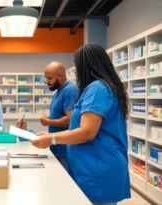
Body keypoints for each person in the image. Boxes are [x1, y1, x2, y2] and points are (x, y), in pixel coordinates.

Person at [31, 44, 131, 205]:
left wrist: (52, 138)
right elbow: (80, 127)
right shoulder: (101, 87)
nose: (76, 71)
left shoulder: (97, 89)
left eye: (77, 66)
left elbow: (86, 132)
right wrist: (50, 135)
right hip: (93, 165)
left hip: (97, 168)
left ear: (87, 65)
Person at [17, 61, 78, 171]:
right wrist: (49, 119)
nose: (47, 82)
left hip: (65, 151)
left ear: (60, 76)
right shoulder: (59, 91)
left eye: (49, 78)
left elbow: (71, 120)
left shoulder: (70, 90)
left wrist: (48, 122)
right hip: (57, 148)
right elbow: (62, 116)